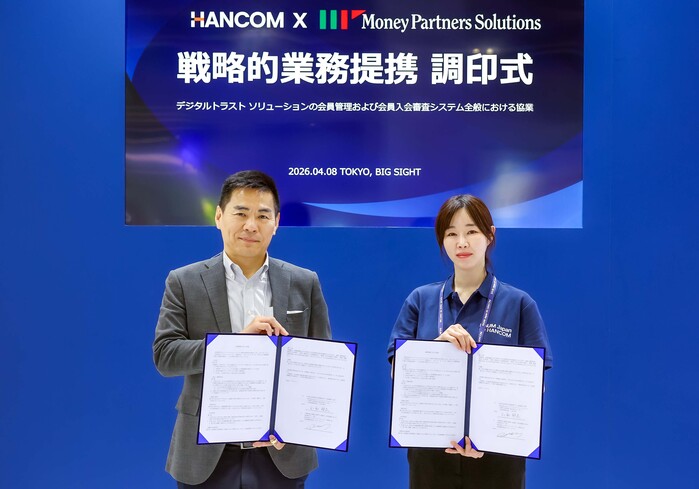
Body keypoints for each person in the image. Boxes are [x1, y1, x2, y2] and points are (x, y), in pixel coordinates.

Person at [153, 170, 331, 488]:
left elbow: (320, 366)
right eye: (241, 213)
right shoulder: (184, 281)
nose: (251, 225)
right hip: (205, 452)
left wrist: (297, 424)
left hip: (281, 452)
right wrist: (233, 345)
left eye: (262, 215)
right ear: (219, 217)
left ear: (276, 223)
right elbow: (166, 356)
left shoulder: (304, 282)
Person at [387, 194, 553, 489]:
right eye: (451, 234)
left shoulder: (519, 304)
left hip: (498, 459)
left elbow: (535, 385)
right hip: (431, 456)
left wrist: (489, 433)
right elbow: (397, 375)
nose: (461, 242)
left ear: (490, 235)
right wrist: (435, 348)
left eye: (472, 231)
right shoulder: (420, 300)